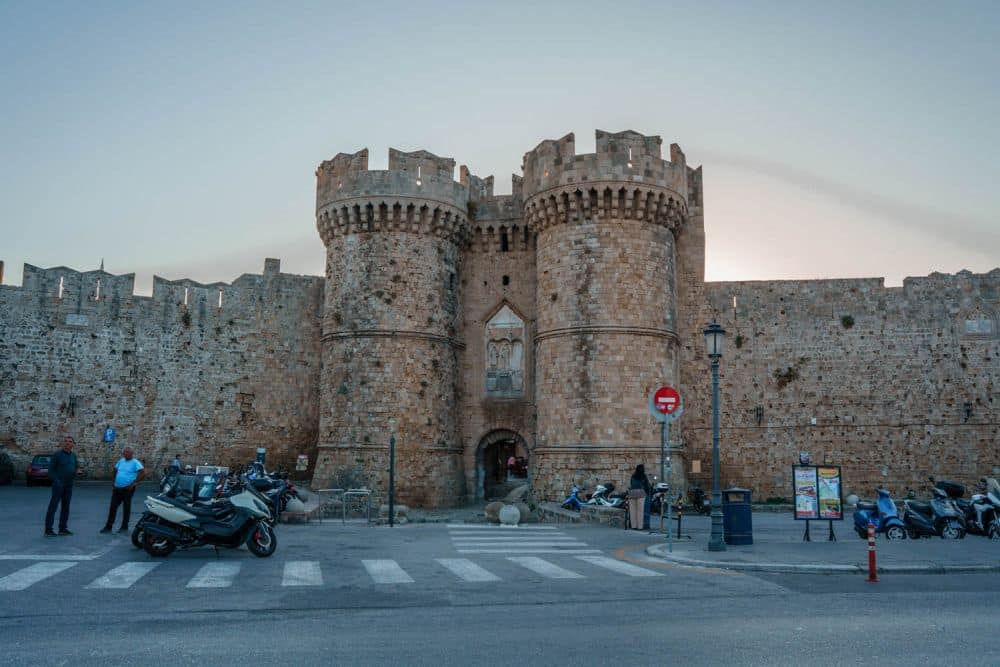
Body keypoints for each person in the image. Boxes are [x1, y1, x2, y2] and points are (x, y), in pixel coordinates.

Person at [100, 446, 145, 533]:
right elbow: (115, 470)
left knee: (126, 508)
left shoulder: (135, 462)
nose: (125, 454)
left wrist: (135, 483)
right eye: (124, 452)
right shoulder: (121, 461)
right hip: (117, 488)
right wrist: (113, 481)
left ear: (132, 454)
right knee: (113, 507)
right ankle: (108, 527)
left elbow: (143, 473)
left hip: (127, 489)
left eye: (127, 452)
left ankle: (124, 527)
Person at [44, 435, 79, 536]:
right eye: (66, 441)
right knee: (53, 506)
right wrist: (56, 481)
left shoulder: (73, 456)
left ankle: (62, 528)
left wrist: (77, 472)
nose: (67, 443)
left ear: (73, 444)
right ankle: (48, 530)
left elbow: (75, 468)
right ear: (63, 443)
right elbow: (51, 470)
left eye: (70, 441)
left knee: (66, 507)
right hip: (59, 485)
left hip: (69, 485)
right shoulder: (57, 455)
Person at [628, 464, 652, 530]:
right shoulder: (643, 476)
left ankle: (634, 526)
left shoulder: (633, 475)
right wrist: (647, 492)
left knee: (633, 510)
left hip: (632, 492)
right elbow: (647, 485)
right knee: (640, 511)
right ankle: (640, 526)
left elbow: (631, 483)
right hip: (641, 492)